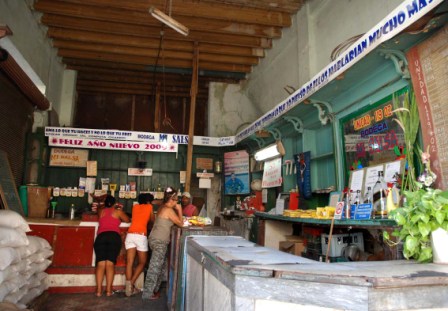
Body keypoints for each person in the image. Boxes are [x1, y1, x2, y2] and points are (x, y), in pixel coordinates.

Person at [142, 187, 183, 300]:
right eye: (176, 200)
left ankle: (154, 290)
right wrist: (179, 210)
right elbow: (181, 224)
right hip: (159, 241)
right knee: (155, 267)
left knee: (160, 266)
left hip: (156, 239)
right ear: (172, 200)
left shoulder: (162, 207)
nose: (177, 202)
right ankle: (148, 293)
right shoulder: (168, 210)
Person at [93, 195, 130, 297]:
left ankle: (99, 291)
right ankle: (109, 291)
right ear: (114, 203)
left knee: (100, 265)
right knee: (110, 265)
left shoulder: (101, 211)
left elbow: (99, 208)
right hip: (113, 237)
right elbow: (127, 220)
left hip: (101, 237)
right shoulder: (117, 211)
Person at [124, 193, 155, 297]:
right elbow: (152, 220)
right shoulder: (150, 207)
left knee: (129, 262)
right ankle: (131, 284)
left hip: (130, 235)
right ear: (148, 201)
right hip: (140, 236)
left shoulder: (135, 207)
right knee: (142, 262)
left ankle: (129, 289)